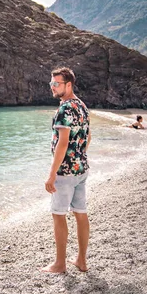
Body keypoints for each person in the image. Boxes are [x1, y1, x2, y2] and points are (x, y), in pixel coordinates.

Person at [42, 67, 91, 274]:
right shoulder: (82, 106)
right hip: (81, 169)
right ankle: (81, 260)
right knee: (80, 213)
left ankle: (60, 264)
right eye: (51, 83)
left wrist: (52, 174)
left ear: (68, 85)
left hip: (65, 172)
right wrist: (78, 156)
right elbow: (88, 137)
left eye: (57, 84)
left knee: (58, 214)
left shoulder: (64, 109)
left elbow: (62, 144)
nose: (53, 87)